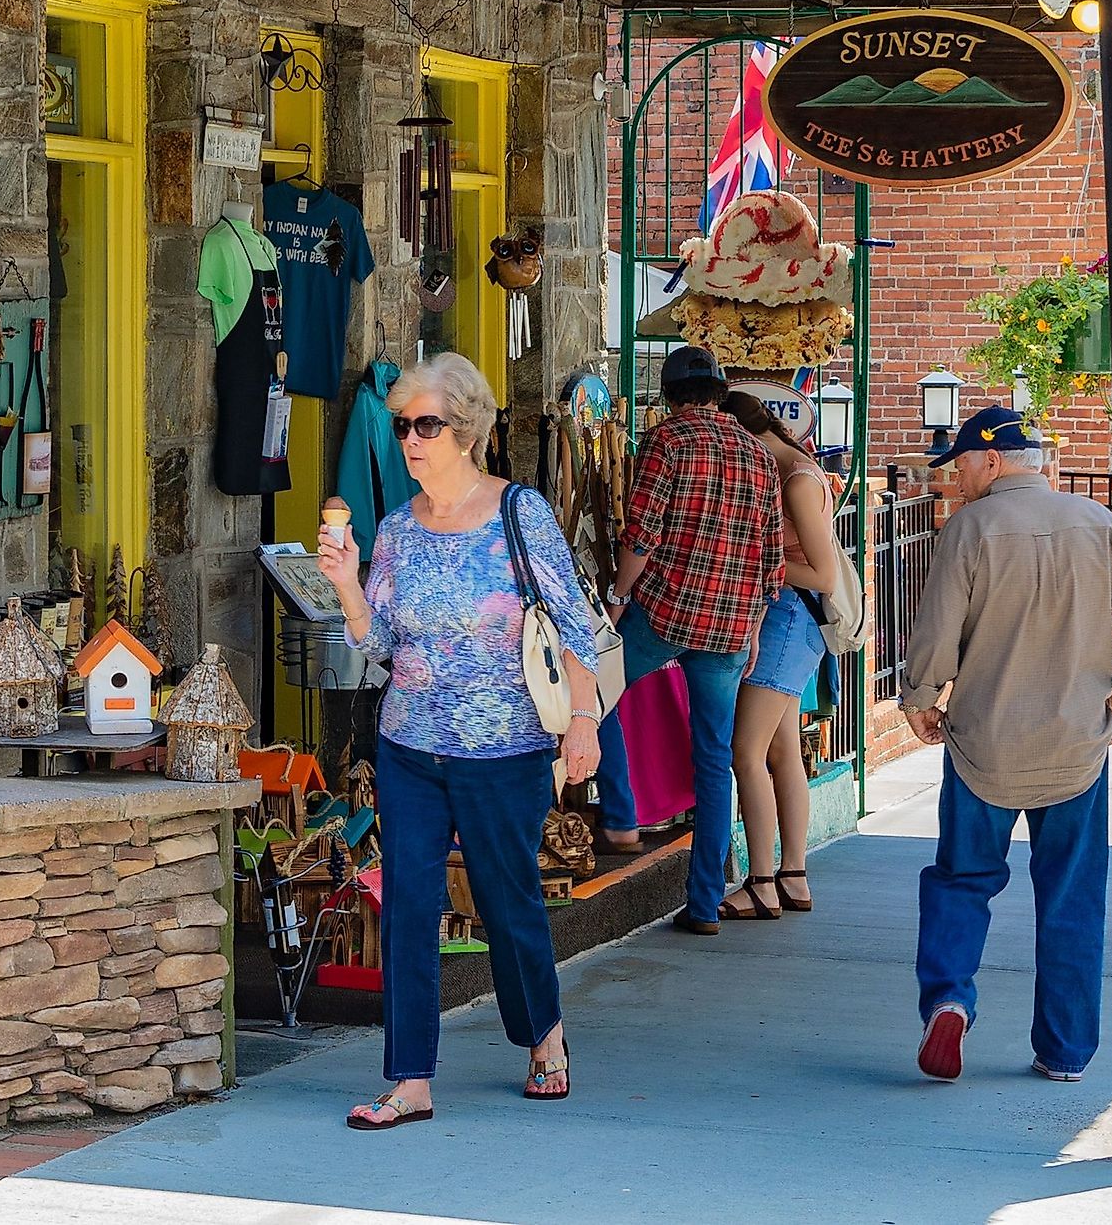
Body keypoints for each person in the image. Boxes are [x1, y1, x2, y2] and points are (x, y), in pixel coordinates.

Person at [316, 351, 604, 1130]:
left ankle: (543, 1035)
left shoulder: (521, 512)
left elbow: (572, 629)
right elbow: (379, 646)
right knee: (409, 903)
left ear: (466, 430)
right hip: (411, 745)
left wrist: (583, 721)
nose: (411, 439)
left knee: (508, 905)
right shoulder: (401, 533)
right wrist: (346, 581)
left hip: (504, 748)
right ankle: (409, 1078)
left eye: (426, 424)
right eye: (402, 425)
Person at [902, 407, 1112, 1084]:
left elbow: (939, 633)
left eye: (962, 465)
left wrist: (919, 699)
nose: (957, 479)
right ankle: (1065, 1051)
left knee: (961, 882)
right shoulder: (1100, 525)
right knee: (1072, 897)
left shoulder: (969, 528)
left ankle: (949, 998)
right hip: (1076, 742)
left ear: (992, 461)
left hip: (983, 745)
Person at [608, 345, 783, 933]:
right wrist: (754, 625)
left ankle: (621, 816)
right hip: (732, 622)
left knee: (596, 691)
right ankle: (705, 902)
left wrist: (617, 597)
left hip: (665, 610)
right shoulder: (757, 454)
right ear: (720, 389)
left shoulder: (668, 440)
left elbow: (641, 532)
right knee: (715, 758)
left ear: (668, 393)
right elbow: (770, 558)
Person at [718, 392, 845, 919]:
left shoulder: (795, 480)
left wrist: (754, 562)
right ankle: (792, 875)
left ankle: (762, 881)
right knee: (782, 753)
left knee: (744, 753)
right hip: (793, 618)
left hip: (791, 617)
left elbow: (823, 574)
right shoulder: (795, 468)